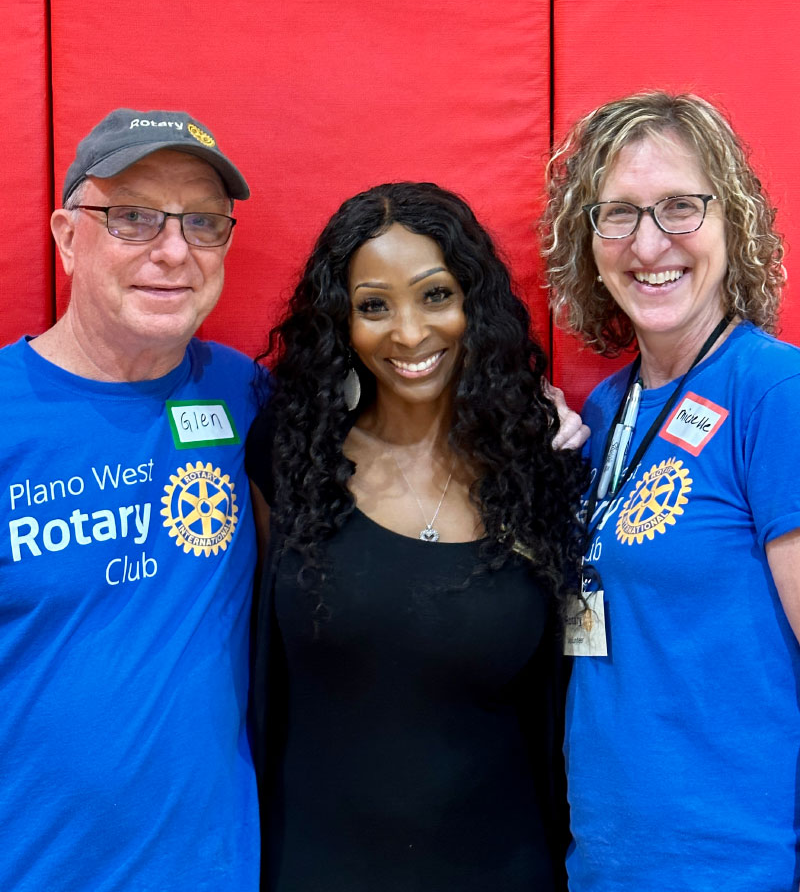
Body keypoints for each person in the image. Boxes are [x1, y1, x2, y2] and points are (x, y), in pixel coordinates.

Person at [246, 180, 586, 891]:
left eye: (435, 295)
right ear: (341, 321)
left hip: (504, 869)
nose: (408, 333)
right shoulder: (289, 454)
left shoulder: (540, 466)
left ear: (474, 303)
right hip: (315, 867)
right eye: (374, 306)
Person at [542, 91, 800, 891]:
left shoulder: (775, 393)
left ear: (734, 221)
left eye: (681, 207)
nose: (649, 243)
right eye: (618, 214)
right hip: (608, 862)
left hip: (741, 864)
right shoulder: (602, 411)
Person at [0, 109, 260, 890]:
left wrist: (527, 415)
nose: (174, 251)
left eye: (203, 222)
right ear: (66, 237)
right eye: (133, 217)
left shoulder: (245, 394)